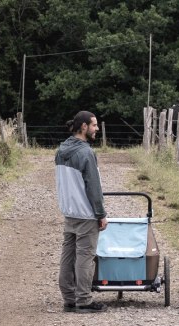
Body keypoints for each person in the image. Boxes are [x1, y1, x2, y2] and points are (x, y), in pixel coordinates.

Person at [55, 110, 107, 313]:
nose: (97, 129)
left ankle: (69, 299)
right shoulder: (85, 153)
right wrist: (101, 214)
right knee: (85, 256)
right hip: (85, 214)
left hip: (69, 212)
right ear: (84, 127)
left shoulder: (60, 151)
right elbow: (93, 187)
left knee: (67, 256)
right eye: (94, 125)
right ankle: (83, 300)